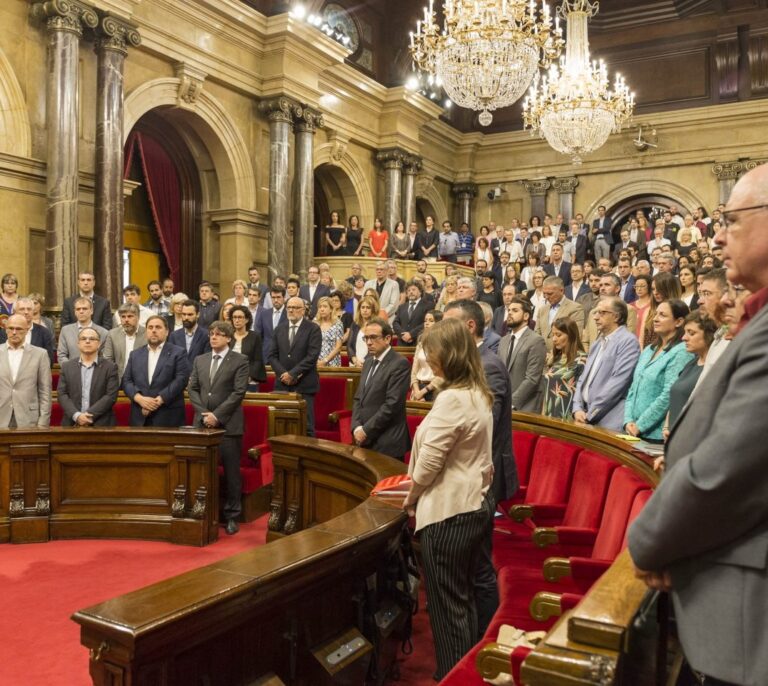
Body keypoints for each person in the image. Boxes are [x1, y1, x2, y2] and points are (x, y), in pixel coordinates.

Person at [628, 163, 768, 686]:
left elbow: (726, 470)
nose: (719, 235)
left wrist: (650, 541)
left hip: (749, 624)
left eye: (731, 221)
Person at [402, 318, 494, 679]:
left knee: (447, 609)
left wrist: (408, 498)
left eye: (434, 355)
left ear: (451, 356)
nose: (429, 361)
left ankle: (451, 677)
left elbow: (427, 466)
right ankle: (466, 672)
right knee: (464, 600)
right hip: (473, 505)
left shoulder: (452, 400)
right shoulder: (476, 391)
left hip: (449, 512)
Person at [188, 320, 250, 535]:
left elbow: (238, 392)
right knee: (202, 471)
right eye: (211, 334)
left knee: (232, 473)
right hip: (202, 424)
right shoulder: (200, 359)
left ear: (228, 338)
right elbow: (193, 388)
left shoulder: (240, 360)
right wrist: (204, 413)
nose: (213, 337)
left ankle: (232, 516)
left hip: (228, 426)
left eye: (218, 334)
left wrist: (217, 415)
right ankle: (204, 511)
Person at [623, 299, 694, 442]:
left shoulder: (682, 352)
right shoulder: (649, 349)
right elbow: (633, 388)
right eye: (655, 314)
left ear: (679, 322)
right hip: (632, 430)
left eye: (662, 315)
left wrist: (640, 425)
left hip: (655, 435)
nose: (655, 319)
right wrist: (628, 420)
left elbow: (669, 394)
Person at [572, 297, 641, 432]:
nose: (596, 317)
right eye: (595, 313)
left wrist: (590, 413)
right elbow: (583, 379)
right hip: (585, 416)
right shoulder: (598, 342)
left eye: (601, 313)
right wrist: (577, 408)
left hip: (608, 420)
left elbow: (617, 383)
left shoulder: (628, 341)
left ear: (616, 317)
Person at [351, 317, 411, 460]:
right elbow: (359, 398)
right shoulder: (368, 362)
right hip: (366, 440)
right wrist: (357, 427)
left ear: (388, 338)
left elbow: (392, 405)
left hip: (387, 442)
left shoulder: (399, 363)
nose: (369, 342)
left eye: (373, 337)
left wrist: (366, 430)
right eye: (366, 338)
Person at [122, 316, 191, 427]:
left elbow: (181, 380)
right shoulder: (135, 354)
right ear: (146, 332)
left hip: (168, 417)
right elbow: (126, 381)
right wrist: (140, 399)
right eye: (150, 327)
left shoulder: (178, 353)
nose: (153, 330)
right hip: (139, 417)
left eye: (158, 327)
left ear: (167, 331)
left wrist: (157, 401)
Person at [268, 296, 323, 436]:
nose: (291, 310)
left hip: (304, 384)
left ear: (303, 310)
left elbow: (312, 356)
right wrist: (283, 374)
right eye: (289, 307)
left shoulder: (313, 329)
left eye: (295, 308)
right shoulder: (279, 329)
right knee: (280, 425)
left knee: (306, 426)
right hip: (282, 385)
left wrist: (292, 374)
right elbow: (272, 356)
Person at [661, 309, 717, 442]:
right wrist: (666, 428)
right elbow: (675, 397)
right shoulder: (691, 363)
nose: (684, 337)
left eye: (691, 333)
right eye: (685, 332)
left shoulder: (713, 368)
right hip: (672, 438)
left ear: (709, 335)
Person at [57, 327, 120, 427]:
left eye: (92, 339)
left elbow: (110, 396)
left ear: (99, 344)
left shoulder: (110, 367)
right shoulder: (67, 366)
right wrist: (77, 415)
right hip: (72, 424)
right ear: (78, 344)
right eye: (83, 338)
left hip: (101, 424)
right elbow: (62, 394)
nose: (87, 341)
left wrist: (88, 415)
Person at [0, 313, 51, 428]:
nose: (14, 332)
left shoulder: (40, 354)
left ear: (27, 330)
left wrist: (43, 423)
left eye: (19, 329)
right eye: (10, 328)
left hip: (29, 419)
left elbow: (45, 391)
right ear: (5, 329)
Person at [498, 297, 547, 412]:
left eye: (515, 311)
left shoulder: (536, 340)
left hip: (525, 405)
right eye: (509, 310)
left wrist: (512, 402)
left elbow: (532, 379)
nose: (509, 313)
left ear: (526, 316)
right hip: (502, 403)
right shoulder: (503, 340)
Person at [542, 317, 587, 419]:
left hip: (568, 416)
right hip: (549, 414)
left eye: (558, 335)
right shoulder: (556, 358)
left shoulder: (581, 360)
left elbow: (582, 393)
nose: (554, 339)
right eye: (553, 335)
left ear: (571, 335)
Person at [534, 276, 585, 351]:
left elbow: (574, 337)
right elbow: (537, 335)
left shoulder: (575, 308)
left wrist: (552, 355)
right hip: (542, 356)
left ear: (561, 290)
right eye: (544, 294)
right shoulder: (542, 310)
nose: (546, 297)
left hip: (564, 357)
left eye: (550, 294)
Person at [0, 297, 55, 365]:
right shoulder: (4, 332)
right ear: (14, 312)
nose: (26, 312)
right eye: (22, 309)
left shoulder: (44, 332)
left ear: (33, 311)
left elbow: (49, 360)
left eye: (29, 309)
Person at [57, 297, 109, 364]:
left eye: (84, 308)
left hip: (96, 372)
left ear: (91, 311)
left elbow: (105, 357)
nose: (81, 311)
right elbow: (61, 355)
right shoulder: (65, 331)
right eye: (78, 309)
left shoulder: (103, 332)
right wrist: (71, 370)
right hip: (71, 372)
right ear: (75, 312)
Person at [102, 303, 147, 380]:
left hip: (142, 378)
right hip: (118, 378)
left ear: (138, 317)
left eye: (130, 316)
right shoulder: (112, 334)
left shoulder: (147, 334)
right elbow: (107, 359)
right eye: (123, 317)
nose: (126, 320)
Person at [228, 304, 266, 389]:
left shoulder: (255, 336)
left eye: (240, 317)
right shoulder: (228, 336)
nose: (237, 320)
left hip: (249, 380)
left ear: (246, 320)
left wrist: (249, 376)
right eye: (234, 317)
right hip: (229, 380)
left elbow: (258, 360)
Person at [410, 310, 443, 401]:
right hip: (418, 388)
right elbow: (414, 370)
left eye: (431, 321)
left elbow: (442, 375)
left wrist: (423, 391)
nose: (427, 323)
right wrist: (416, 390)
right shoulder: (421, 343)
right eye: (425, 320)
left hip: (435, 389)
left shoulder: (443, 344)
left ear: (439, 323)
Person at [169, 299, 212, 364]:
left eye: (190, 315)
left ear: (198, 315)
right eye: (184, 314)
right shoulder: (174, 336)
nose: (186, 317)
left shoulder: (206, 335)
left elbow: (207, 360)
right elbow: (171, 359)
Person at [393, 280, 430, 345]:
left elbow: (427, 323)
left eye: (413, 290)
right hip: (402, 343)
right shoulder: (401, 307)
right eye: (409, 290)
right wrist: (403, 335)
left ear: (420, 292)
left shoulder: (428, 306)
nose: (411, 292)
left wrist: (411, 334)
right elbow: (395, 323)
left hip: (418, 342)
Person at [255, 285, 287, 358]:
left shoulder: (289, 314)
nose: (276, 300)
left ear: (284, 298)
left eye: (278, 297)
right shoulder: (264, 314)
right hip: (266, 355)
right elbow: (258, 336)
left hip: (284, 356)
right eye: (273, 297)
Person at [314, 296, 344, 367]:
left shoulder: (338, 324)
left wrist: (325, 360)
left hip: (332, 362)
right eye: (320, 307)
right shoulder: (315, 323)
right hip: (316, 362)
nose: (322, 309)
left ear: (331, 309)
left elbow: (338, 347)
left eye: (325, 306)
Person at [347, 295, 376, 367]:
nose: (365, 310)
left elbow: (376, 347)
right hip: (355, 364)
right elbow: (349, 345)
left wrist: (365, 362)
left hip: (371, 364)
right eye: (362, 307)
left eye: (368, 307)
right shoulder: (355, 324)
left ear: (373, 310)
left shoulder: (377, 325)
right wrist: (355, 360)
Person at [629, 274, 653, 347]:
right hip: (630, 344)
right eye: (636, 286)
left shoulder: (653, 306)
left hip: (647, 343)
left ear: (649, 287)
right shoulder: (630, 306)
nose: (639, 289)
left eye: (642, 286)